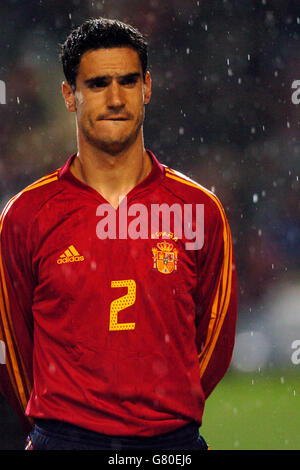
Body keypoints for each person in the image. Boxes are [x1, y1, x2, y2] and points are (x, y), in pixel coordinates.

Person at [0, 18, 237, 451]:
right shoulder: (26, 215)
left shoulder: (199, 211)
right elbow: (12, 349)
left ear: (147, 87)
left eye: (128, 81)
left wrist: (157, 415)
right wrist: (61, 423)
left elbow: (215, 342)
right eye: (97, 84)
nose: (115, 98)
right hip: (63, 439)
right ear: (70, 95)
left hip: (170, 447)